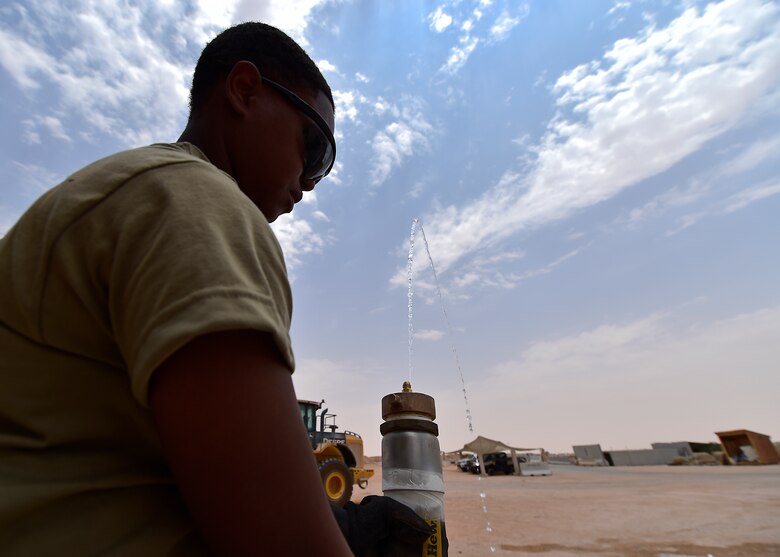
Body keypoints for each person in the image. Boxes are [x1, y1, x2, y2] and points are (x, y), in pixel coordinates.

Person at [0, 22, 431, 556]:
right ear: (244, 90)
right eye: (314, 148)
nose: (310, 183)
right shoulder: (199, 203)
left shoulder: (125, 191)